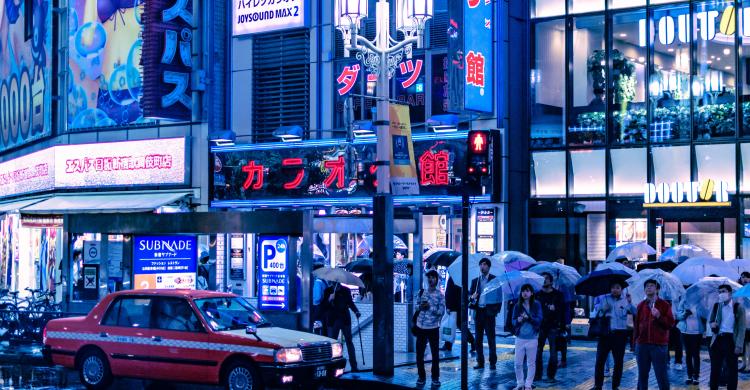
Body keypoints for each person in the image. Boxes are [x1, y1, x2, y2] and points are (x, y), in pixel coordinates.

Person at [590, 281, 636, 390]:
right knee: (600, 361)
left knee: (618, 362)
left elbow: (635, 313)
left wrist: (630, 303)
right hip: (605, 335)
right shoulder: (604, 299)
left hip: (620, 335)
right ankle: (598, 385)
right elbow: (597, 315)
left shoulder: (626, 300)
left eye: (617, 287)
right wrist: (602, 310)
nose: (615, 290)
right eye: (613, 288)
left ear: (621, 289)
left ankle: (615, 386)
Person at [633, 279, 674, 390]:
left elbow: (670, 324)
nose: (648, 288)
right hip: (642, 344)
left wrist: (659, 316)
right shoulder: (641, 305)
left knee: (661, 375)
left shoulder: (664, 305)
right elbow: (636, 325)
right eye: (646, 286)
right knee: (642, 375)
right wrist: (635, 342)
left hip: (659, 345)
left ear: (657, 289)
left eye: (651, 286)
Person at [708, 284, 746, 390]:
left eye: (723, 291)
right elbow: (710, 320)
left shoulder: (738, 307)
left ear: (730, 293)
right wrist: (712, 324)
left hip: (731, 340)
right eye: (719, 292)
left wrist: (739, 345)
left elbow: (742, 328)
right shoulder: (717, 306)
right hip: (718, 339)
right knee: (715, 368)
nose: (721, 294)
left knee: (732, 369)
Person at [414, 270, 445, 387]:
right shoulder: (422, 292)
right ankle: (421, 376)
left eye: (433, 278)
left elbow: (441, 312)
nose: (431, 280)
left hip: (433, 328)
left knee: (435, 354)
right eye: (429, 278)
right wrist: (420, 307)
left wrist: (430, 308)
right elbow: (416, 307)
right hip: (420, 327)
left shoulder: (440, 295)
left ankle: (435, 377)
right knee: (419, 354)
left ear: (436, 280)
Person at [469, 257, 500, 369]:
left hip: (489, 313)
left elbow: (498, 297)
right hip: (479, 313)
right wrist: (472, 297)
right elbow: (470, 298)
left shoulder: (494, 280)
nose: (482, 267)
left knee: (491, 338)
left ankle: (492, 362)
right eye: (481, 264)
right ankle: (480, 362)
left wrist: (495, 311)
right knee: (478, 339)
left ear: (489, 267)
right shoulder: (475, 281)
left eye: (485, 264)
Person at [325, 283, 362, 372]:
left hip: (345, 319)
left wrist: (356, 311)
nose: (335, 286)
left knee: (349, 342)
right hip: (333, 320)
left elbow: (350, 303)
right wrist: (329, 300)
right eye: (333, 284)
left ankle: (354, 366)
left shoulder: (346, 290)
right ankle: (332, 367)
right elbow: (324, 307)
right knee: (332, 343)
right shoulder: (328, 291)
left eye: (336, 284)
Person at [512, 284, 543, 390]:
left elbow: (539, 320)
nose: (525, 293)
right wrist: (517, 320)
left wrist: (528, 318)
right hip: (520, 337)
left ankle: (528, 384)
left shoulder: (536, 305)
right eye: (523, 291)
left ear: (532, 293)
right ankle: (520, 383)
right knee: (518, 363)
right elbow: (513, 321)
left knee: (531, 363)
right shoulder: (517, 305)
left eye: (527, 291)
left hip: (532, 338)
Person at [534, 272, 564, 382]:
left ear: (551, 281)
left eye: (546, 278)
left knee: (553, 353)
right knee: (537, 352)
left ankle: (551, 375)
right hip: (540, 326)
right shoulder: (537, 295)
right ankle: (538, 375)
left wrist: (555, 310)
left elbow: (562, 311)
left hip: (553, 326)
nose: (544, 280)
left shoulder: (558, 295)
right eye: (542, 278)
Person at [676, 294, 705, 385]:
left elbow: (705, 315)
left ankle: (696, 376)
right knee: (688, 354)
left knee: (696, 354)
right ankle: (689, 376)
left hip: (697, 332)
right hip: (685, 332)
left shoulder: (700, 303)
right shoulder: (683, 302)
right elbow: (678, 316)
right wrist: (685, 313)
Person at [739, 271, 750, 373]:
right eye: (742, 277)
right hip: (742, 322)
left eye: (746, 277)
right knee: (742, 344)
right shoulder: (739, 290)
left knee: (748, 345)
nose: (744, 279)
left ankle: (749, 365)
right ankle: (743, 364)